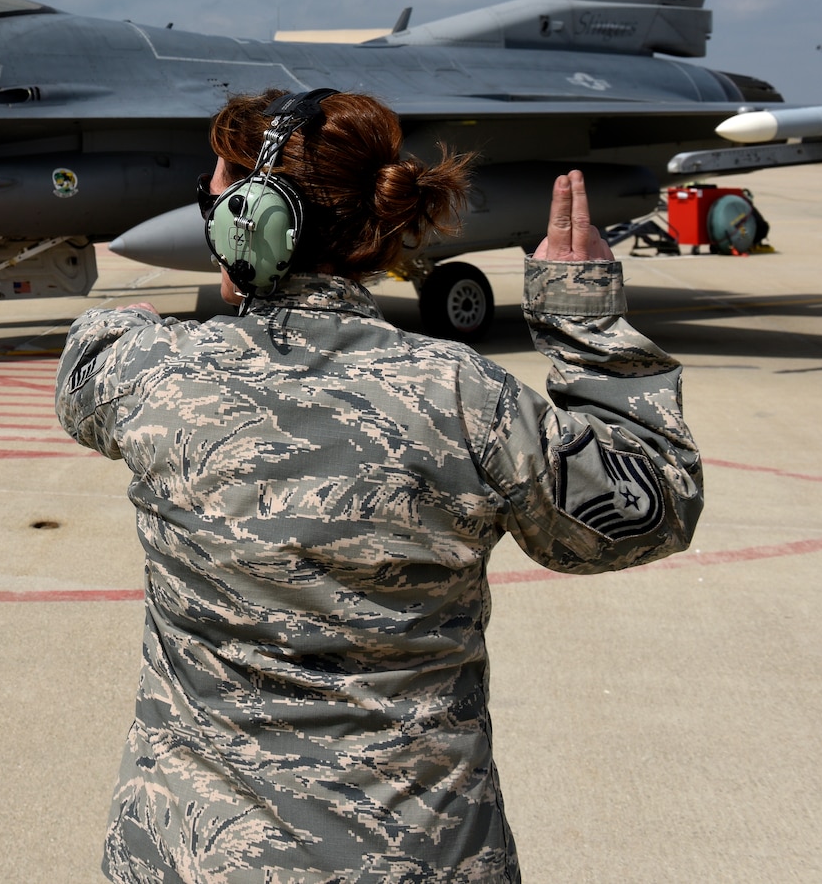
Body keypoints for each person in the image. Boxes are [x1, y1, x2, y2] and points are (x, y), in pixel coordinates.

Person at [56, 88, 702, 884]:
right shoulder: (463, 397)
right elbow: (647, 510)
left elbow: (85, 363)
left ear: (249, 223)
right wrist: (586, 324)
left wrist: (152, 324)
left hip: (193, 859)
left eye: (216, 196)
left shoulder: (158, 376)